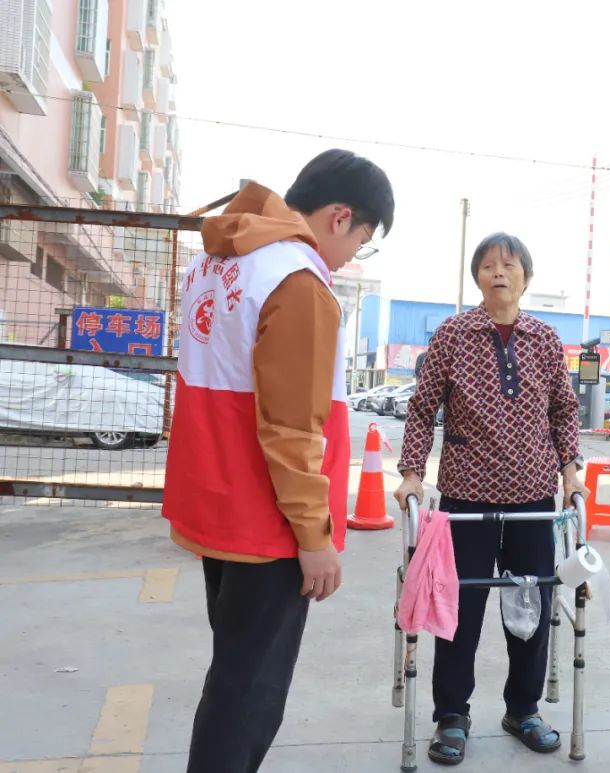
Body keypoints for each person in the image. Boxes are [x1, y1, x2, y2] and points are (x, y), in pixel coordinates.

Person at [162, 150, 394, 772]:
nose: (351, 255)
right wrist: (315, 537)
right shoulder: (297, 281)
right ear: (340, 217)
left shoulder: (218, 263)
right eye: (362, 241)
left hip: (217, 507)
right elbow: (293, 427)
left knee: (233, 676)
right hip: (270, 525)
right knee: (249, 698)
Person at [394, 232, 587, 766]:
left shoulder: (544, 338)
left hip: (533, 495)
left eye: (509, 264)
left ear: (526, 276)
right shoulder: (454, 334)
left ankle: (523, 709)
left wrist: (571, 474)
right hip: (466, 495)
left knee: (531, 605)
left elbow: (563, 410)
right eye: (487, 265)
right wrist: (412, 474)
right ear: (477, 277)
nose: (498, 272)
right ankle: (452, 715)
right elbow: (422, 408)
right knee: (459, 608)